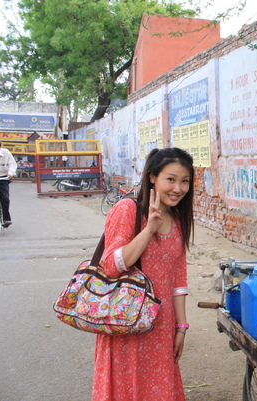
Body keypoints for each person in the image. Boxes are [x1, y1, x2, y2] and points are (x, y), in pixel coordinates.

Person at [92, 147, 195, 401]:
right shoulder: (127, 210)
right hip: (127, 324)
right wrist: (149, 229)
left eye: (185, 182)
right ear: (152, 177)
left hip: (161, 329)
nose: (178, 188)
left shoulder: (179, 220)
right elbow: (111, 266)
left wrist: (181, 328)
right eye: (170, 179)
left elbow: (178, 281)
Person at [0, 142, 17, 228]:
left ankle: (6, 218)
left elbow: (12, 164)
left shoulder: (6, 152)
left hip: (3, 178)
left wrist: (10, 173)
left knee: (5, 198)